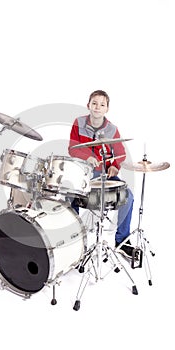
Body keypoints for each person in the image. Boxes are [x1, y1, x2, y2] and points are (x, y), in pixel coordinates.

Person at [68, 89, 135, 259]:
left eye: (102, 104)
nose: (98, 107)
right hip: (82, 172)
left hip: (104, 173)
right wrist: (88, 157)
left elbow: (120, 154)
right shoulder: (78, 122)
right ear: (88, 105)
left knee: (128, 197)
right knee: (69, 196)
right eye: (94, 103)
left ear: (107, 109)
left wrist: (115, 167)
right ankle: (73, 241)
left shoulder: (112, 129)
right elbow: (72, 148)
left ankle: (122, 241)